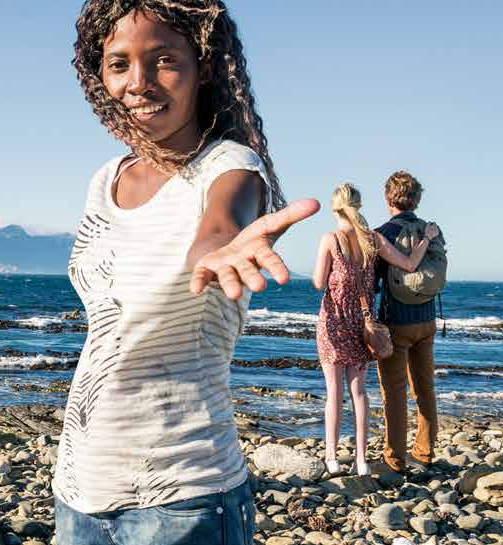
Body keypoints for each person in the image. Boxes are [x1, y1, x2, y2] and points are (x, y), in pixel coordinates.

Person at [54, 1, 320, 543]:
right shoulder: (106, 178)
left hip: (183, 494)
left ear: (204, 67)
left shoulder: (230, 169)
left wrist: (219, 253)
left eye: (164, 61)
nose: (139, 82)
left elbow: (219, 228)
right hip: (80, 483)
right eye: (119, 63)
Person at [312, 183, 436, 477]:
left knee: (334, 392)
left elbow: (318, 283)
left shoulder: (330, 239)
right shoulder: (373, 239)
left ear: (334, 208)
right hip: (364, 324)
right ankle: (363, 460)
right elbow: (408, 264)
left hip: (334, 322)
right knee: (359, 393)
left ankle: (331, 457)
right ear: (360, 205)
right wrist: (427, 238)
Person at [374, 170, 448, 474]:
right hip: (427, 319)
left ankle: (395, 459)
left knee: (394, 391)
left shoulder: (382, 234)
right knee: (425, 387)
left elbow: (373, 280)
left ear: (388, 198)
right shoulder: (433, 231)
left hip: (396, 322)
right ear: (416, 199)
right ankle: (425, 452)